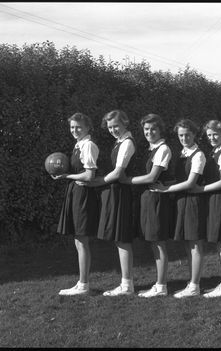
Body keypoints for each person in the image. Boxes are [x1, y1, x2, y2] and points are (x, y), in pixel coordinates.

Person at [81, 110, 136, 296]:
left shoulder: (127, 143)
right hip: (116, 191)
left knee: (122, 238)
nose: (113, 130)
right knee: (119, 238)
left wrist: (97, 181)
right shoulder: (119, 142)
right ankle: (126, 283)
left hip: (120, 192)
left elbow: (119, 172)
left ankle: (127, 285)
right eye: (110, 127)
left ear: (125, 123)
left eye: (116, 126)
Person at [151, 119, 206, 298]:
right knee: (187, 244)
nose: (184, 138)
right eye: (181, 135)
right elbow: (181, 179)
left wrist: (165, 189)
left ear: (195, 134)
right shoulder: (183, 153)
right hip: (182, 201)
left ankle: (195, 285)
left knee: (195, 244)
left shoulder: (198, 155)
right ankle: (192, 282)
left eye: (187, 134)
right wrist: (168, 183)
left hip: (193, 201)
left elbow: (190, 182)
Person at [120, 113, 172, 298]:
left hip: (156, 199)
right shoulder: (150, 149)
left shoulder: (163, 149)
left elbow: (152, 177)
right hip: (147, 197)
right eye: (146, 129)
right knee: (153, 241)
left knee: (158, 242)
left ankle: (161, 285)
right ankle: (160, 284)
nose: (149, 132)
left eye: (153, 129)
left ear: (160, 130)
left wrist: (127, 180)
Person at [53, 112, 99, 296]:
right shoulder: (78, 145)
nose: (75, 130)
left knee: (81, 240)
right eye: (72, 127)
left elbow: (89, 175)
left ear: (88, 127)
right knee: (78, 240)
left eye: (78, 127)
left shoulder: (88, 145)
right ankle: (82, 283)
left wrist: (66, 176)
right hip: (76, 192)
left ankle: (84, 285)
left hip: (83, 194)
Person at [189, 120, 221, 298]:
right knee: (219, 244)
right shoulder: (214, 152)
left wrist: (200, 189)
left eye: (215, 134)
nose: (212, 138)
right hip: (213, 199)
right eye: (209, 135)